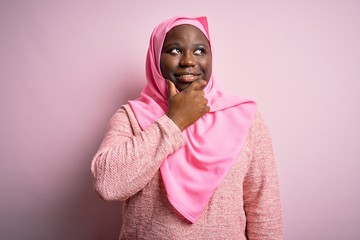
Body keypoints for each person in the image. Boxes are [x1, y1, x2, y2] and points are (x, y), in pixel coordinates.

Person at [91, 16, 283, 239]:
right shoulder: (131, 116)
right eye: (174, 50)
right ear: (155, 58)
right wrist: (174, 121)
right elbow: (106, 185)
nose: (188, 61)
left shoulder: (245, 117)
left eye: (200, 51)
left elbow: (264, 208)